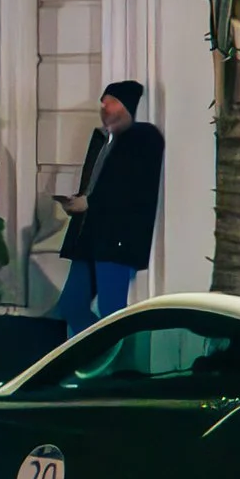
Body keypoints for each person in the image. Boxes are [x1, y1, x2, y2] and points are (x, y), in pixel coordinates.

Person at [57, 79, 165, 333]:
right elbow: (96, 183)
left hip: (117, 239)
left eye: (112, 102)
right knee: (71, 304)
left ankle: (112, 357)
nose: (105, 107)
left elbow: (129, 187)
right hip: (89, 237)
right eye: (103, 103)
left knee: (111, 309)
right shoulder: (103, 139)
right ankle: (93, 355)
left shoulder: (143, 138)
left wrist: (89, 203)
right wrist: (79, 202)